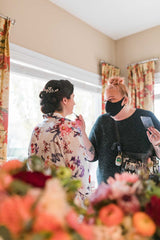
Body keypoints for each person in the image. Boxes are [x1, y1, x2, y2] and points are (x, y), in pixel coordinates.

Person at [28, 79, 94, 204]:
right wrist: (86, 201)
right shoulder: (69, 128)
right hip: (66, 201)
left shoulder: (37, 129)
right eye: (73, 98)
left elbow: (31, 165)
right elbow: (79, 170)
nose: (74, 103)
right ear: (65, 100)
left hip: (42, 199)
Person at [89, 76, 160, 184]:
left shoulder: (146, 118)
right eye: (106, 100)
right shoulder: (102, 122)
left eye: (112, 99)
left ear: (125, 100)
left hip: (141, 190)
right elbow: (92, 156)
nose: (108, 104)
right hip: (108, 191)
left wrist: (157, 144)